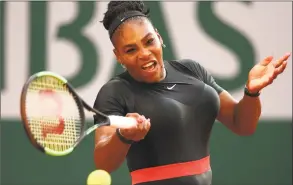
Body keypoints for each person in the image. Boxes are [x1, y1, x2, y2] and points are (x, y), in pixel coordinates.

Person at [92, 1, 291, 185]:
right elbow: (103, 162)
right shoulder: (114, 92)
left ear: (159, 38)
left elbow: (242, 124)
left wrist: (251, 92)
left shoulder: (192, 70)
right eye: (130, 50)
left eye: (149, 41)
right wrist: (124, 136)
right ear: (118, 56)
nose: (144, 53)